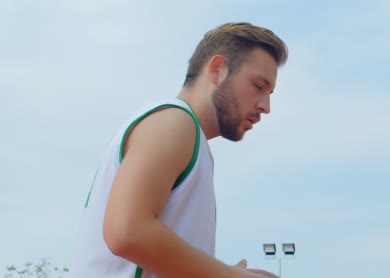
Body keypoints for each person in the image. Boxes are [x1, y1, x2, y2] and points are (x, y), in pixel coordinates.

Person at [67, 22, 288, 278]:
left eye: (270, 93)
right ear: (218, 69)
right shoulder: (175, 121)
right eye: (258, 86)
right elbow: (126, 232)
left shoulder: (191, 140)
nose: (266, 106)